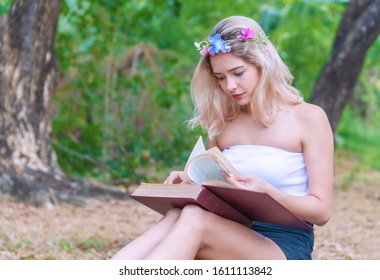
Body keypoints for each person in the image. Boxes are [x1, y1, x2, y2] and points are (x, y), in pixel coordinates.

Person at [111, 15, 333, 260]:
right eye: (220, 78)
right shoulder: (222, 123)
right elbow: (219, 193)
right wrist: (189, 183)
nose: (230, 86)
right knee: (179, 215)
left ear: (263, 65)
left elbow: (321, 211)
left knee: (194, 220)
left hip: (282, 245)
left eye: (238, 73)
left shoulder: (309, 118)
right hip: (226, 230)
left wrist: (269, 194)